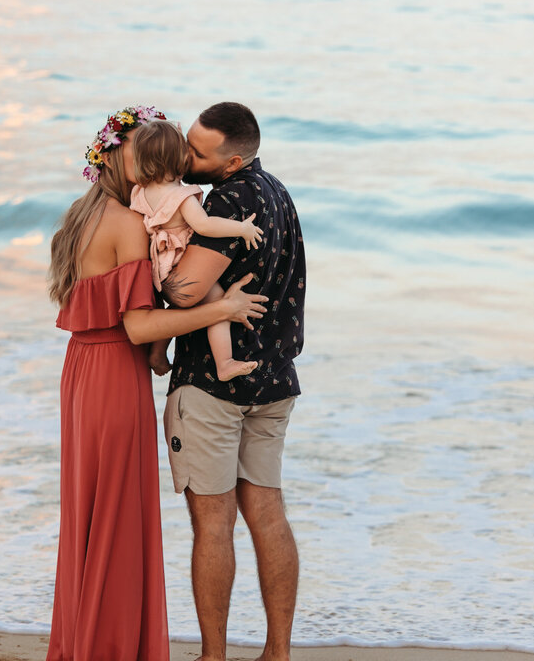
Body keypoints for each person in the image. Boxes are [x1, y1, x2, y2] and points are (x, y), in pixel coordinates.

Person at [45, 105, 270, 661]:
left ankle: (91, 639)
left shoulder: (84, 213)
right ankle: (113, 647)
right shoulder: (125, 224)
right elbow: (140, 324)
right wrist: (227, 306)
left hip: (82, 372)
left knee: (93, 514)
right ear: (122, 158)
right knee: (117, 514)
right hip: (111, 377)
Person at [159, 102, 306, 661]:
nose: (185, 157)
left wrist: (160, 268)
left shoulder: (231, 198)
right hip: (274, 378)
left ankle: (213, 656)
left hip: (214, 386)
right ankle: (277, 653)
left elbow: (188, 293)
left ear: (232, 159)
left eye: (197, 152)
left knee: (213, 524)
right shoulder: (276, 191)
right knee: (268, 512)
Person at [127, 118, 264, 382]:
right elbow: (205, 225)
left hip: (159, 266)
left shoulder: (139, 192)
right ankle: (224, 363)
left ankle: (157, 353)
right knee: (217, 303)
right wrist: (241, 229)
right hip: (179, 263)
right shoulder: (181, 196)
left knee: (179, 308)